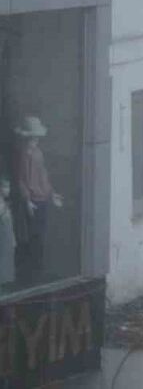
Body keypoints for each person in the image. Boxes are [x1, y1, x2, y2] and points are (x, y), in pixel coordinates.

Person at [13, 116, 61, 284]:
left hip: (42, 198)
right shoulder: (24, 155)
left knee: (41, 234)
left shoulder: (38, 153)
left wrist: (51, 193)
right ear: (26, 138)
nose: (35, 141)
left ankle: (38, 269)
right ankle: (32, 272)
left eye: (36, 138)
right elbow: (21, 180)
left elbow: (43, 175)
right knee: (33, 235)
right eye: (32, 138)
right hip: (33, 200)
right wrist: (27, 200)